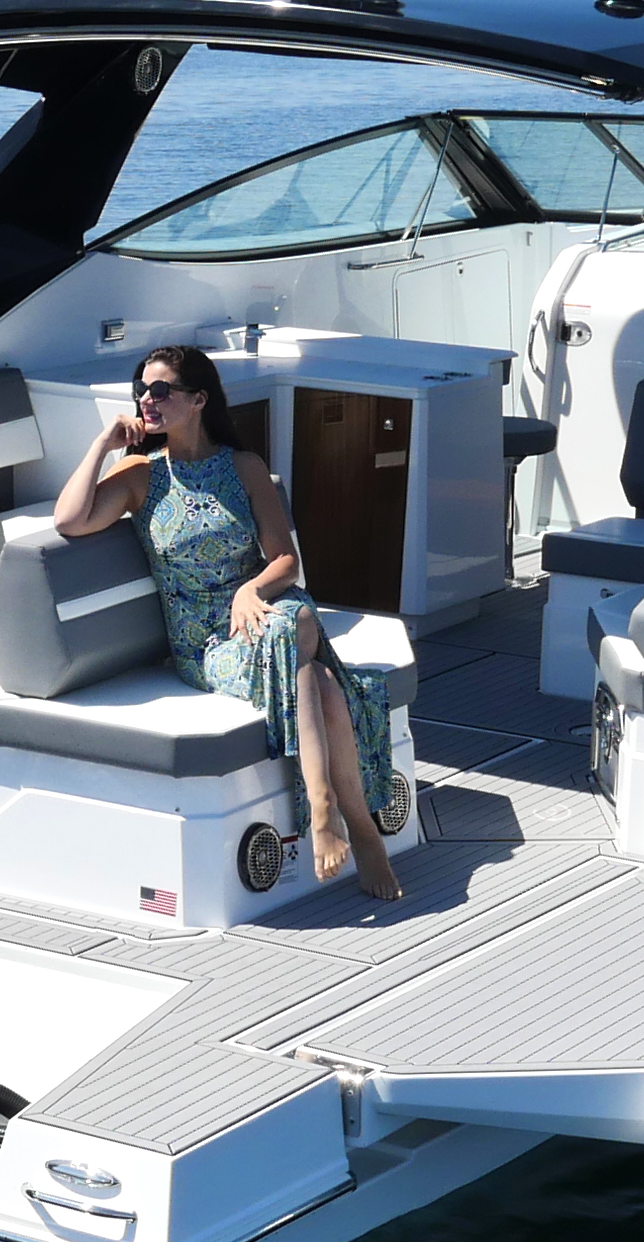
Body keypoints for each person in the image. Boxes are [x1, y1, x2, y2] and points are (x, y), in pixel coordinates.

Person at [53, 344, 406, 900]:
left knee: (296, 631)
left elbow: (285, 560)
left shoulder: (243, 467)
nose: (147, 399)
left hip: (266, 609)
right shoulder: (141, 475)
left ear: (198, 400)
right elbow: (69, 520)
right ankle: (348, 823)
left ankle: (325, 811)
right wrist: (103, 444)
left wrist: (251, 587)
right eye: (141, 390)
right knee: (313, 674)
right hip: (206, 643)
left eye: (161, 390)